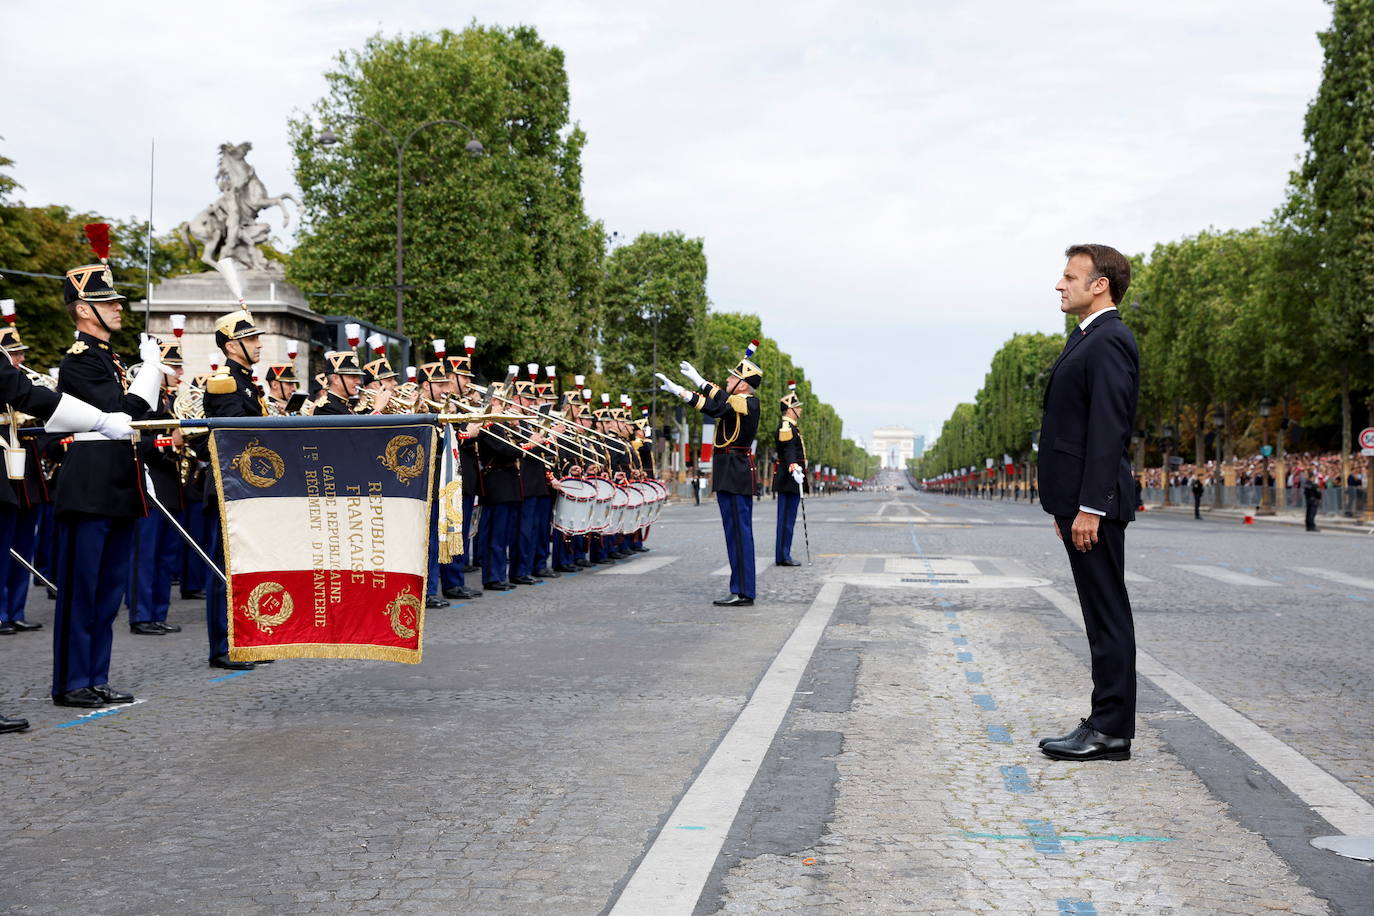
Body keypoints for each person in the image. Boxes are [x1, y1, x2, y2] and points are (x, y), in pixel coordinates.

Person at [1036, 244, 1140, 763]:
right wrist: (1069, 505)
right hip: (1080, 501)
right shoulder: (1091, 338)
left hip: (1095, 504)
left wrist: (1090, 507)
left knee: (1107, 616)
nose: (1060, 284)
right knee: (1101, 615)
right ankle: (1106, 722)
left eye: (1070, 276)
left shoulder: (1108, 340)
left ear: (1100, 284)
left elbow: (1107, 429)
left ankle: (1110, 728)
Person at [51, 261, 167, 708]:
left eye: (116, 300)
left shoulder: (109, 359)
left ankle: (94, 676)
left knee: (107, 594)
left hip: (120, 484)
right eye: (106, 303)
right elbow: (123, 411)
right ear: (83, 310)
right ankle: (71, 681)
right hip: (90, 486)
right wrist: (152, 371)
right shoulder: (78, 362)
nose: (118, 308)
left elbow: (142, 419)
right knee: (83, 591)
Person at [658, 342, 761, 607]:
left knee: (739, 533)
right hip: (729, 472)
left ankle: (744, 591)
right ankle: (739, 588)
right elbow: (716, 405)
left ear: (742, 384)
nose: (727, 379)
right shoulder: (735, 403)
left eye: (732, 377)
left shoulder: (749, 402)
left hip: (737, 472)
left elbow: (719, 405)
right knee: (733, 533)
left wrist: (694, 385)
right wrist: (688, 390)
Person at [199, 309, 268, 671]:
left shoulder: (246, 381)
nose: (258, 345)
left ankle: (248, 640)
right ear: (232, 345)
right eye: (252, 339)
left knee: (249, 567)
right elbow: (235, 432)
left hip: (249, 485)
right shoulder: (225, 381)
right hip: (230, 484)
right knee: (227, 568)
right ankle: (223, 645)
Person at [127, 340, 187, 635]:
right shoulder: (145, 401)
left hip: (170, 485)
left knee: (165, 556)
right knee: (146, 555)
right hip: (150, 486)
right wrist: (169, 442)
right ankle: (141, 615)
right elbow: (137, 439)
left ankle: (158, 612)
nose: (179, 372)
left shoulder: (168, 402)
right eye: (174, 367)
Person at [773, 382, 806, 566]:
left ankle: (783, 554)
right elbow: (788, 450)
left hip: (790, 478)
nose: (800, 410)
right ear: (790, 409)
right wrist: (794, 467)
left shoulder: (791, 426)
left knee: (787, 519)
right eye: (797, 407)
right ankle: (783, 555)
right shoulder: (787, 426)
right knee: (786, 519)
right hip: (789, 479)